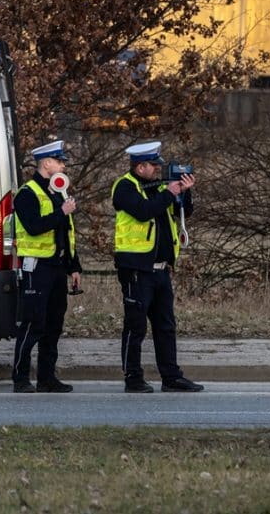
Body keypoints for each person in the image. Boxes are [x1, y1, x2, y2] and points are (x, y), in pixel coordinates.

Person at [112, 141, 203, 393]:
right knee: (136, 325)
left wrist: (184, 192)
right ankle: (133, 377)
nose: (157, 170)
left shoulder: (158, 188)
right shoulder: (124, 187)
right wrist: (168, 193)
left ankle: (171, 377)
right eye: (153, 166)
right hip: (136, 269)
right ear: (140, 167)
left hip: (161, 269)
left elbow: (184, 212)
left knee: (166, 325)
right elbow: (143, 212)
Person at [12, 140, 82, 393]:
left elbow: (68, 233)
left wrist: (74, 267)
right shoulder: (27, 193)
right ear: (46, 163)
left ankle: (46, 378)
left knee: (53, 325)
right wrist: (61, 212)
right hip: (35, 268)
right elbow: (33, 226)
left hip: (57, 268)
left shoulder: (59, 192)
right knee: (32, 324)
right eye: (60, 161)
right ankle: (20, 378)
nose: (64, 165)